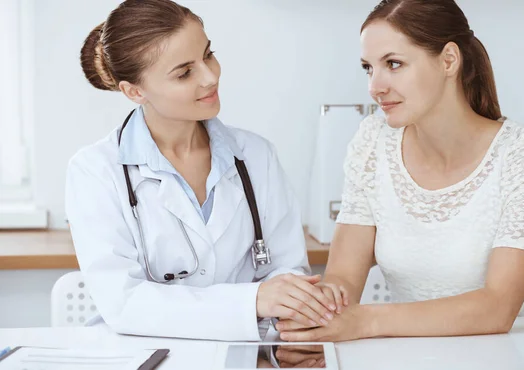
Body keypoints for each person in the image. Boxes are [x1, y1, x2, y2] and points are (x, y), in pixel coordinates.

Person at [277, 0, 524, 342]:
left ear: (449, 60)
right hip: (398, 357)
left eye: (394, 64)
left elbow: (497, 308)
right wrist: (312, 322)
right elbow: (342, 283)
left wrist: (365, 322)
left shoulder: (522, 152)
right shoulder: (372, 141)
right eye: (368, 67)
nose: (375, 86)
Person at [65, 0, 345, 341]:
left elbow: (287, 269)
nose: (211, 76)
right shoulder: (95, 171)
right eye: (185, 72)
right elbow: (124, 302)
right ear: (134, 91)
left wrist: (296, 306)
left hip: (250, 352)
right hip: (142, 353)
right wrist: (253, 300)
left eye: (208, 55)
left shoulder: (256, 156)